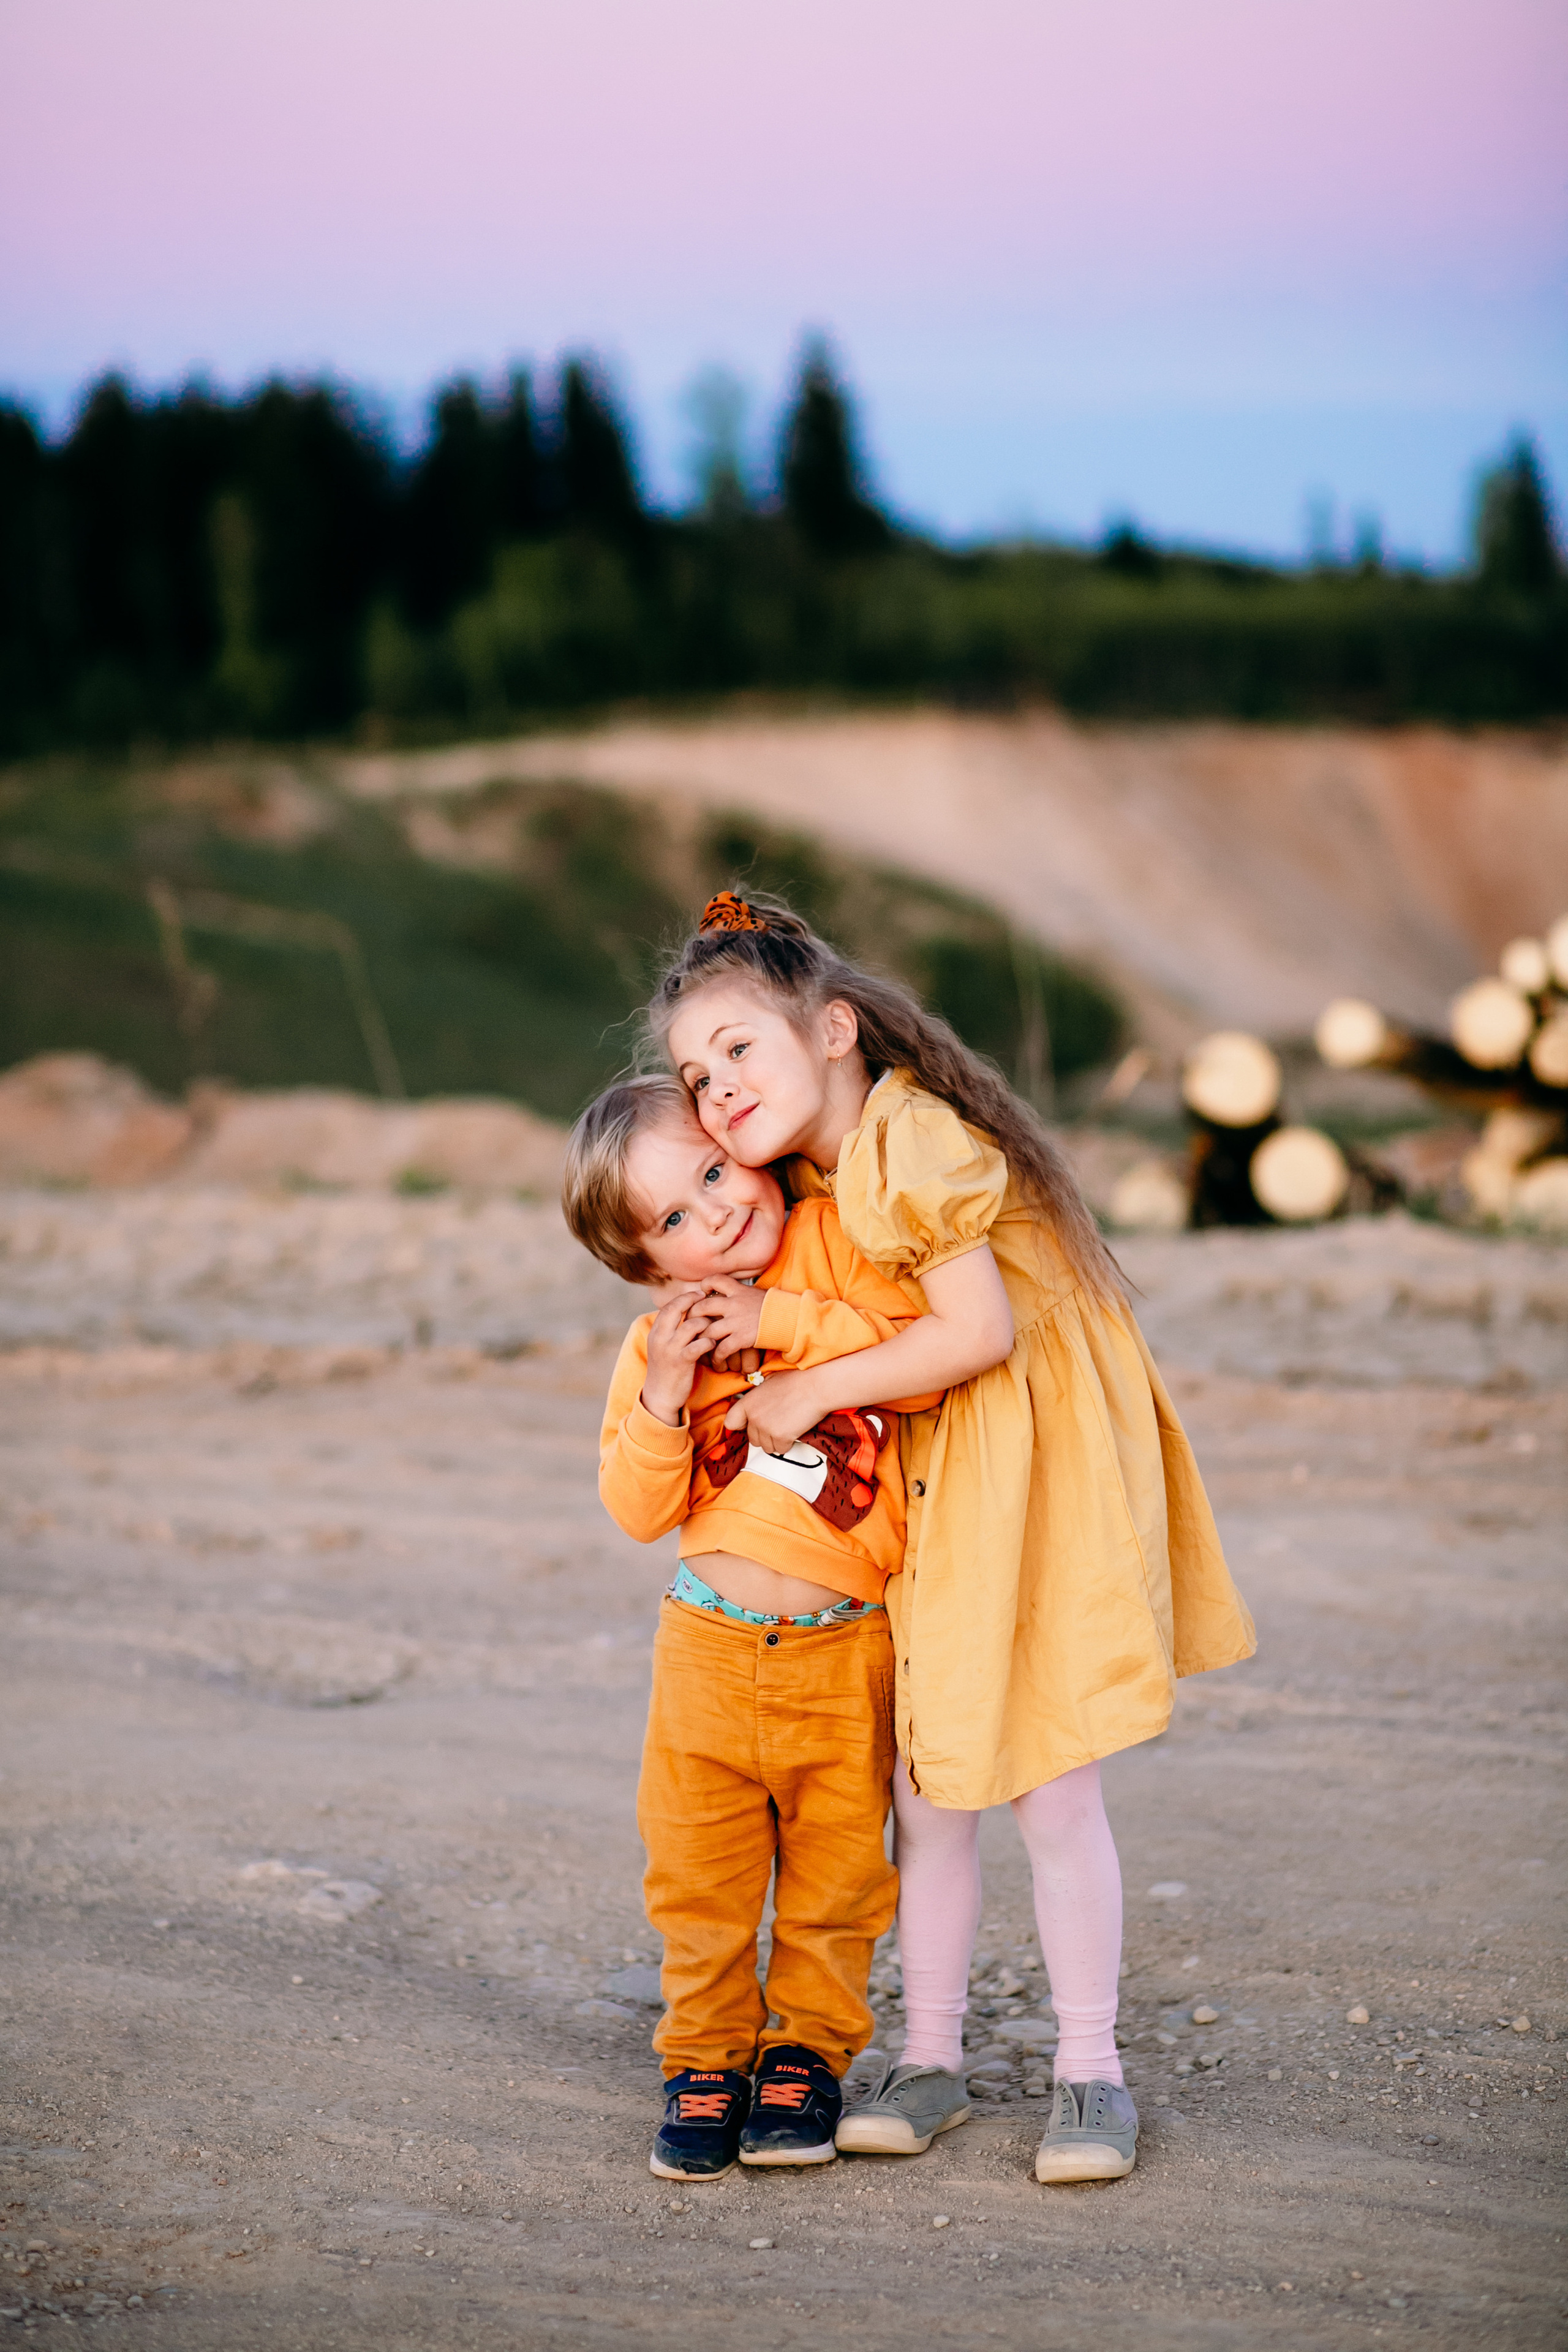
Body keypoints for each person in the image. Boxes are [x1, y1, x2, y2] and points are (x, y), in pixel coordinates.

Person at [649, 890, 1256, 2185]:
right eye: (694, 1077)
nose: (714, 1091)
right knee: (929, 1785)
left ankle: (1089, 2071)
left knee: (1045, 1774)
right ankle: (927, 2058)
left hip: (1032, 1470)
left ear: (833, 1030)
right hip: (948, 1477)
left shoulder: (904, 1140)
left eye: (738, 1051)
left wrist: (807, 1388)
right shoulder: (818, 1172)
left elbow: (976, 1332)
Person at [562, 1070, 943, 2183]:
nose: (718, 1212)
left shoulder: (836, 1242)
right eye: (675, 1218)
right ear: (647, 1264)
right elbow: (637, 1512)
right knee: (700, 1872)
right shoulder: (657, 1344)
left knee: (837, 1877)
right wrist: (667, 1395)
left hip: (844, 1646)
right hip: (707, 1651)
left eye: (716, 1172)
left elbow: (915, 1351)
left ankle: (805, 2055)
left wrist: (775, 1319)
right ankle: (706, 2059)